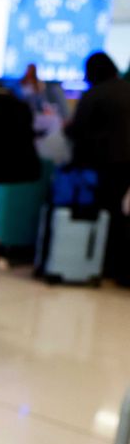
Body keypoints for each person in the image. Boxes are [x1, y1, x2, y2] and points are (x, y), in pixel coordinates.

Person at [66, 52, 130, 285]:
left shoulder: (95, 94)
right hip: (126, 164)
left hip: (106, 164)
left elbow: (77, 130)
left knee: (104, 215)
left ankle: (99, 264)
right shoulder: (126, 89)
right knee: (122, 217)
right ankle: (120, 270)